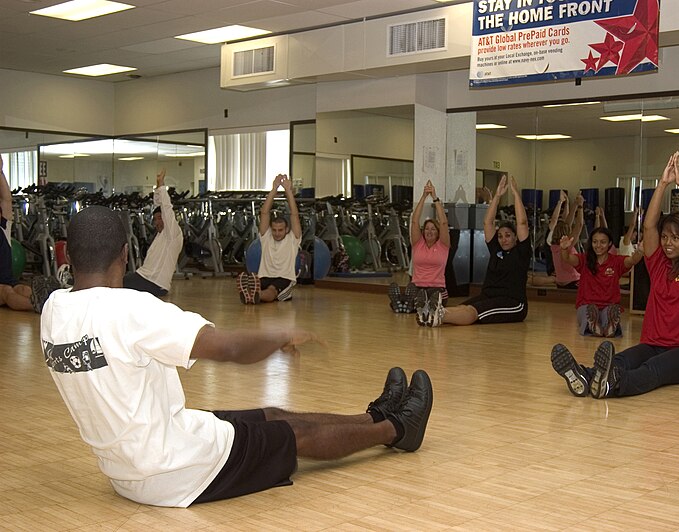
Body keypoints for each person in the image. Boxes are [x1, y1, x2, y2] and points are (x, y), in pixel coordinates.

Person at [41, 205, 434, 508]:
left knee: (272, 415)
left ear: (68, 256)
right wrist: (279, 336)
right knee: (293, 435)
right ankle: (399, 430)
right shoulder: (130, 309)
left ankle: (375, 416)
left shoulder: (54, 310)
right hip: (176, 472)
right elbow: (225, 347)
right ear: (125, 254)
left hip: (129, 466)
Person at [551, 151, 679, 398]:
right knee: (621, 359)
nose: (668, 243)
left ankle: (610, 386)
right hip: (653, 343)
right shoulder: (658, 265)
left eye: (675, 238)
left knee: (653, 370)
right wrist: (662, 184)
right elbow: (648, 226)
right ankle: (585, 376)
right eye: (665, 237)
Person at [417, 174, 530, 327]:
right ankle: (432, 314)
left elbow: (522, 223)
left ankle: (438, 316)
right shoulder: (497, 250)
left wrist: (515, 194)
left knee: (472, 312)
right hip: (489, 295)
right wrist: (496, 196)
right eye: (501, 236)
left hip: (513, 302)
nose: (503, 239)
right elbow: (487, 222)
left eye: (508, 236)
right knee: (462, 308)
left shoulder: (521, 252)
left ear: (516, 238)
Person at [558, 226, 643, 337]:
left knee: (608, 315)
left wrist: (640, 251)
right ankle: (595, 325)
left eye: (603, 242)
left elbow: (632, 260)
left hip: (608, 306)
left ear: (609, 244)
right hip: (587, 305)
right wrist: (564, 249)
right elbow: (567, 258)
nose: (598, 246)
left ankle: (607, 327)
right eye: (595, 242)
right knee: (589, 313)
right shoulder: (585, 259)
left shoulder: (616, 261)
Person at [0, 158, 58, 313]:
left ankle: (54, 306)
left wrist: (0, 171)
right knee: (7, 292)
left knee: (23, 289)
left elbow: (6, 200)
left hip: (8, 281)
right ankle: (43, 308)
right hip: (2, 288)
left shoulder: (3, 229)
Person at [389, 180, 450, 314]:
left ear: (438, 232)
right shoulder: (418, 244)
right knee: (416, 293)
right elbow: (415, 221)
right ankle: (408, 304)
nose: (429, 231)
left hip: (437, 287)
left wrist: (434, 197)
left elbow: (444, 222)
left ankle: (411, 304)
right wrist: (423, 197)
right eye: (427, 229)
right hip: (417, 286)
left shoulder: (443, 245)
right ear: (423, 232)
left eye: (433, 229)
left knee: (433, 297)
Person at [238, 174, 301, 304]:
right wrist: (274, 189)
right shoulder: (266, 238)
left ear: (287, 230)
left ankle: (256, 295)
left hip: (284, 278)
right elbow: (264, 213)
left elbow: (294, 214)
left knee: (272, 291)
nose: (277, 233)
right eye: (274, 230)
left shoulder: (293, 239)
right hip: (265, 277)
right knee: (260, 284)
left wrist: (288, 190)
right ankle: (253, 294)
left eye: (280, 230)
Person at [123, 169, 183, 297]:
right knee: (118, 279)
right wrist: (157, 187)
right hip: (145, 278)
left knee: (116, 283)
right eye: (155, 219)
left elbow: (166, 208)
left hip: (154, 284)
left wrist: (161, 185)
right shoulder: (161, 236)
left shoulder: (173, 233)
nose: (157, 222)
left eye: (160, 218)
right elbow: (158, 204)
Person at [549, 194, 585, 289]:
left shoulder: (553, 246)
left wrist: (574, 204)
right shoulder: (567, 245)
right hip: (572, 282)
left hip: (560, 282)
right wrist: (580, 206)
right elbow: (579, 225)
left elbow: (567, 223)